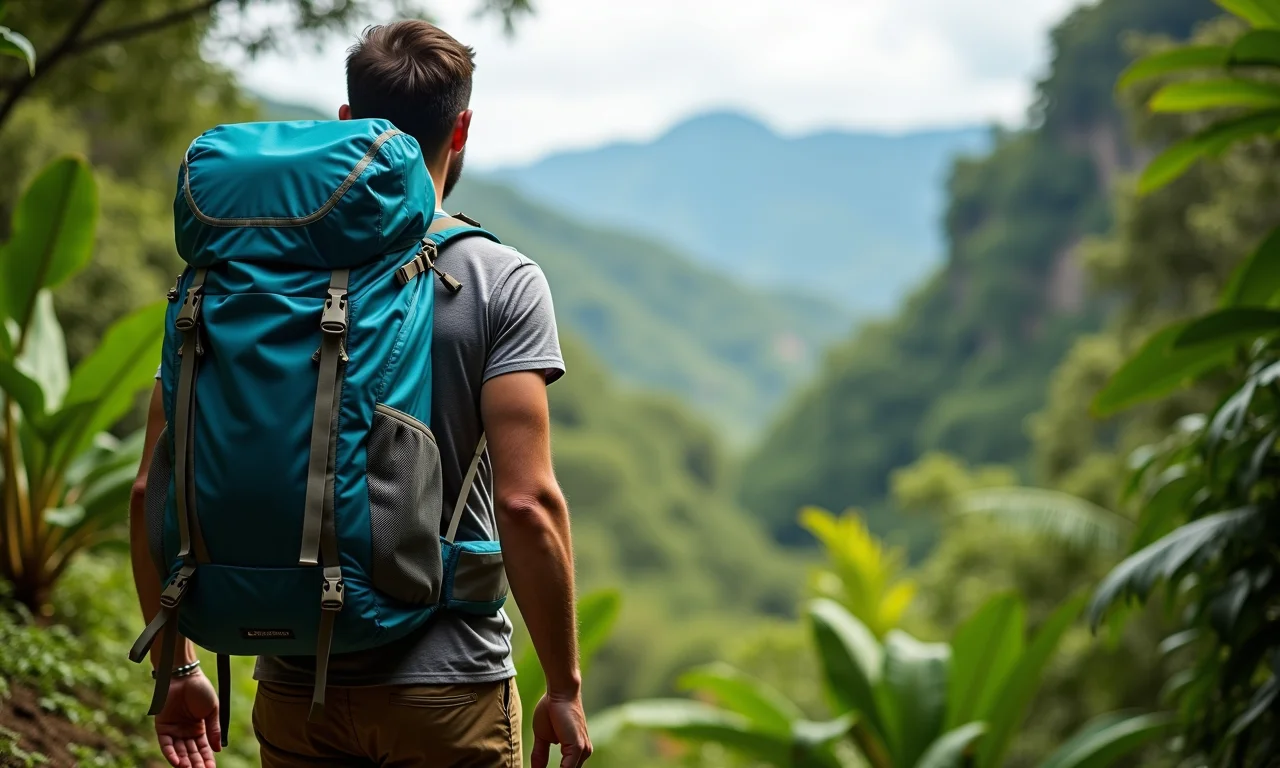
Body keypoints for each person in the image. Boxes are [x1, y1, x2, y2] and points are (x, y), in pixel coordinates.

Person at [128, 20, 591, 768]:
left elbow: (153, 484)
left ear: (350, 123)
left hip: (294, 676)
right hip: (450, 685)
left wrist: (175, 667)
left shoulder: (249, 274)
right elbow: (526, 504)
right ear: (463, 126)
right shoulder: (500, 278)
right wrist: (564, 686)